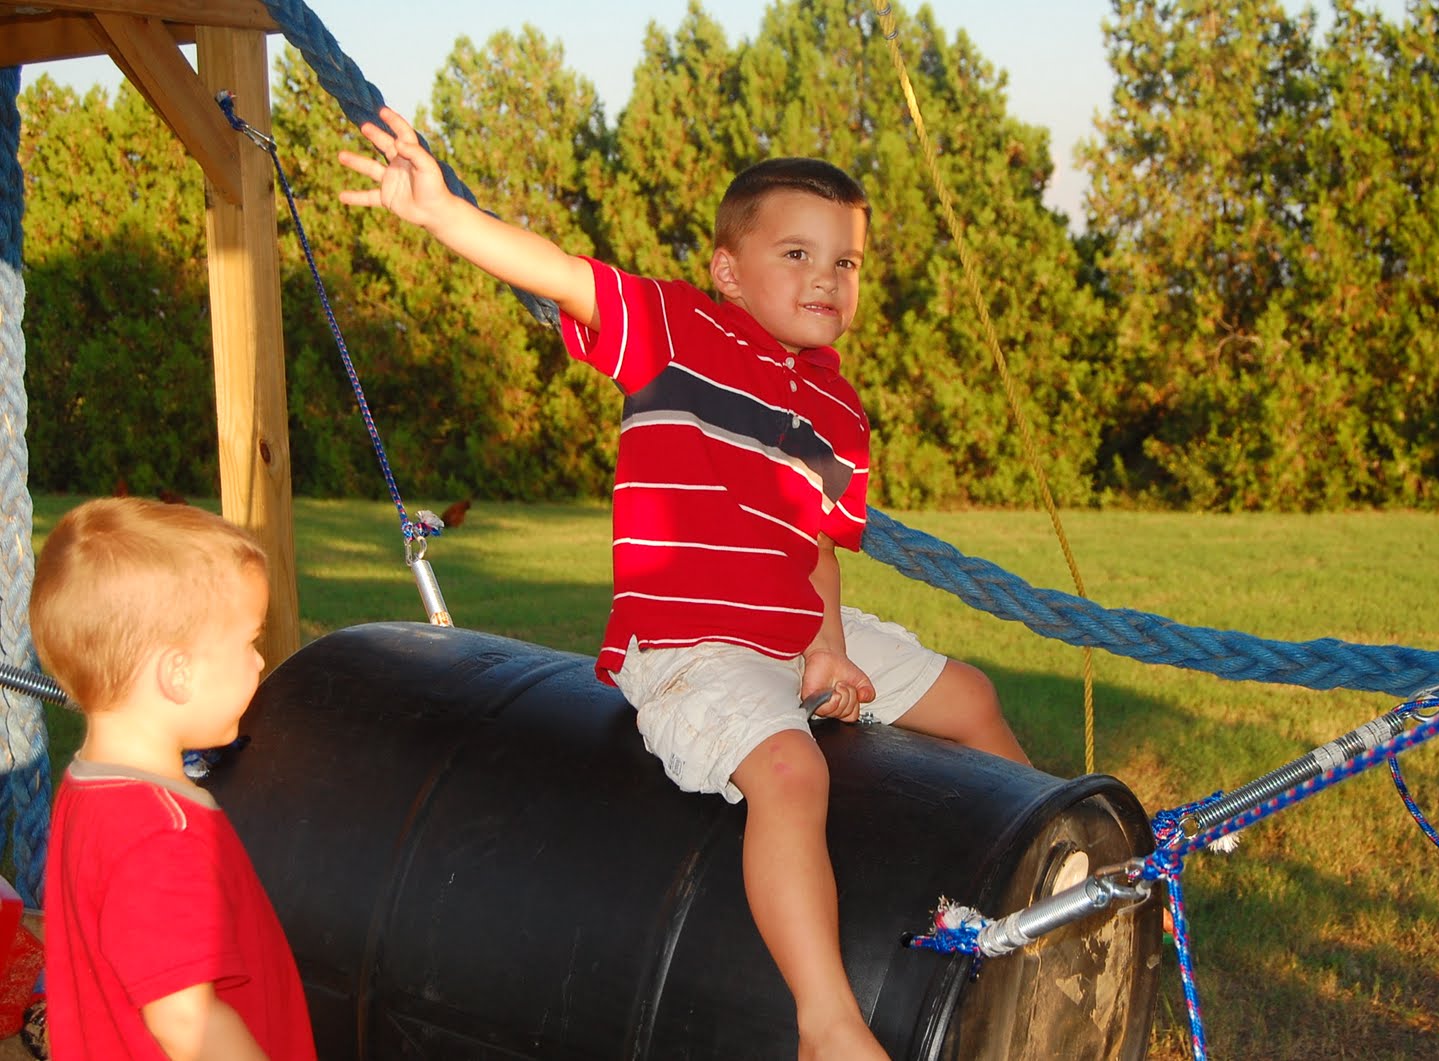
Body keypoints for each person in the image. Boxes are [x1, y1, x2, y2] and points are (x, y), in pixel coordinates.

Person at [340, 107, 1030, 1060]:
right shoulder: (676, 328)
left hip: (795, 623)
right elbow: (553, 272)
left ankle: (1062, 876)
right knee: (792, 774)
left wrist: (828, 642)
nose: (827, 278)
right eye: (798, 253)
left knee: (970, 696)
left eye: (847, 262)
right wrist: (446, 215)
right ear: (728, 269)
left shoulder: (837, 407)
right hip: (693, 641)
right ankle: (826, 1019)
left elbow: (818, 544)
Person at [31, 498, 316, 1061]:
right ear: (178, 673)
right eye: (248, 642)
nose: (259, 662)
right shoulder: (162, 834)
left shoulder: (90, 791)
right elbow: (187, 1021)